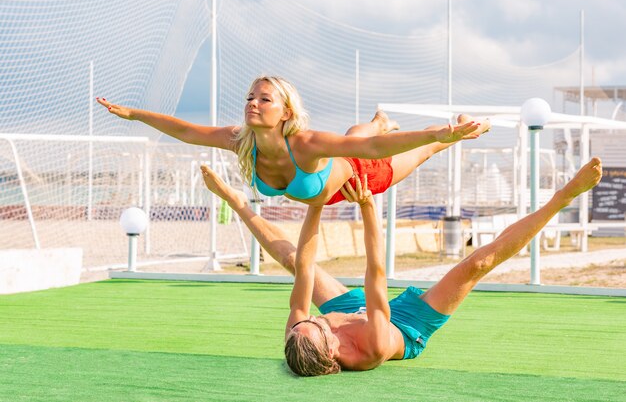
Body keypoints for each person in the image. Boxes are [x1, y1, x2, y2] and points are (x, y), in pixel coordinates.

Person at [199, 157, 603, 376]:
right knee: (479, 262)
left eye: (310, 321)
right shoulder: (371, 347)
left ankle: (233, 200)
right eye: (320, 326)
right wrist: (369, 208)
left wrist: (317, 205)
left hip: (361, 307)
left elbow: (304, 265)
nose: (319, 319)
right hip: (404, 326)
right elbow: (376, 274)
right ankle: (564, 196)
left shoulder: (299, 334)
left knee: (289, 260)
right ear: (333, 351)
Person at [97, 75, 490, 206]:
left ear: (285, 111)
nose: (253, 103)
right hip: (331, 177)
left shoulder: (305, 142)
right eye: (250, 97)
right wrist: (136, 114)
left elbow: (371, 151)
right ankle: (379, 120)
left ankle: (471, 127)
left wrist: (438, 133)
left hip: (361, 177)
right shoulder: (241, 140)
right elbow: (186, 131)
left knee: (421, 150)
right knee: (352, 136)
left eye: (264, 99)